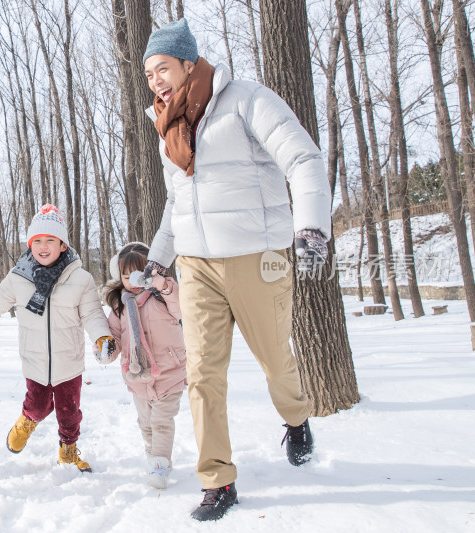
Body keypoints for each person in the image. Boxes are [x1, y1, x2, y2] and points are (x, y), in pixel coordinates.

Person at [140, 19, 331, 521]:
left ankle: (295, 418)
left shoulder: (246, 99)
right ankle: (218, 481)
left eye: (163, 68)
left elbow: (304, 158)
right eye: (149, 74)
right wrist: (161, 253)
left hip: (257, 257)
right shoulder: (167, 130)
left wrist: (311, 226)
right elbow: (176, 202)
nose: (156, 80)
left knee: (274, 359)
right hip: (199, 265)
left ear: (188, 63)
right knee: (203, 375)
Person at [0, 204, 112, 472]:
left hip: (69, 361)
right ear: (30, 244)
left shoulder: (81, 278)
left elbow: (92, 314)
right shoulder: (18, 278)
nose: (44, 246)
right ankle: (27, 421)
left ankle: (68, 450)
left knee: (69, 412)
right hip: (34, 361)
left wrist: (102, 337)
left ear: (62, 245)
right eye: (38, 241)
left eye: (51, 240)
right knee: (39, 405)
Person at [99, 242, 186, 490]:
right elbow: (114, 336)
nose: (133, 282)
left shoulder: (163, 295)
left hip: (170, 371)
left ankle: (159, 464)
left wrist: (164, 286)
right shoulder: (120, 306)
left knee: (161, 420)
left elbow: (182, 310)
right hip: (137, 376)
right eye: (127, 277)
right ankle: (154, 458)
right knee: (146, 422)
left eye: (138, 275)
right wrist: (106, 350)